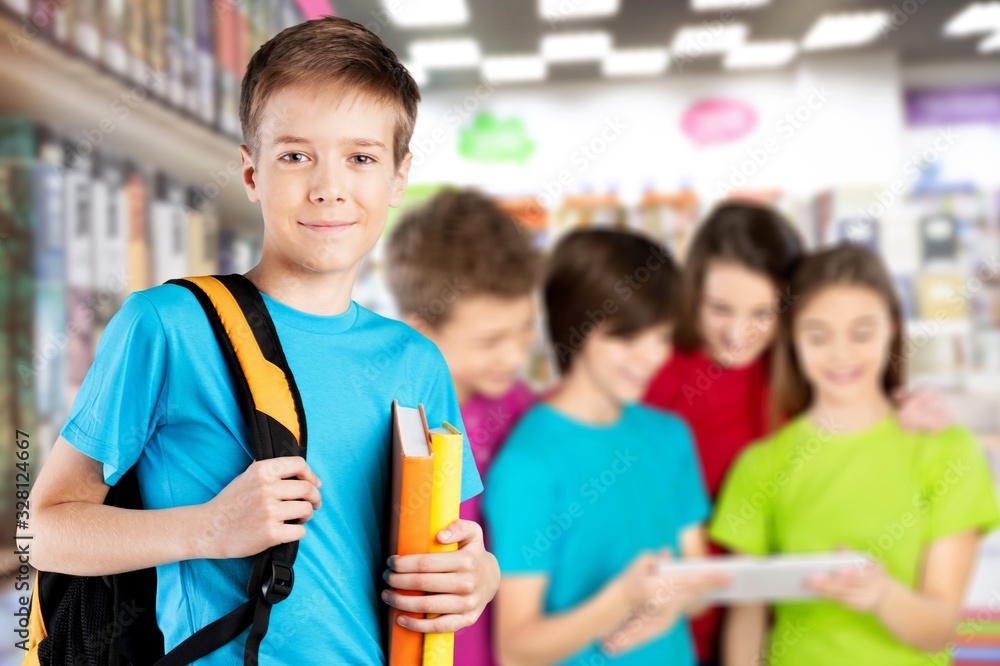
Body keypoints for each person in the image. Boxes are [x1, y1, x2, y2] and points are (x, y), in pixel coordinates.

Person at [25, 17, 499, 664]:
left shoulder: (415, 361)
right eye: (295, 155)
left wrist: (478, 577)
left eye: (360, 158)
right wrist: (209, 529)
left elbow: (451, 544)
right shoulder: (168, 325)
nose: (329, 185)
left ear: (398, 177)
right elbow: (44, 531)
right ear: (250, 173)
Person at [643, 201, 954, 666]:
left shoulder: (801, 371)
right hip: (667, 622)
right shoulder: (652, 369)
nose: (737, 332)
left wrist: (914, 405)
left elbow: (861, 415)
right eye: (720, 309)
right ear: (693, 295)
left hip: (788, 626)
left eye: (761, 314)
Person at [710, 244, 1000, 666]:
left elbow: (940, 626)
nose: (841, 353)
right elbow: (747, 612)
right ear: (793, 339)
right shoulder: (759, 465)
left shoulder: (949, 451)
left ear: (892, 330)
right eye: (818, 336)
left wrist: (882, 595)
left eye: (862, 333)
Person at [485, 229, 727, 665]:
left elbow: (698, 583)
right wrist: (622, 600)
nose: (652, 357)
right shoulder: (528, 464)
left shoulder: (670, 436)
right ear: (575, 326)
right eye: (628, 339)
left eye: (662, 337)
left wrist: (669, 602)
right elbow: (516, 650)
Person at [385, 188, 539, 665]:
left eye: (525, 329)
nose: (515, 357)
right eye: (491, 340)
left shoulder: (530, 414)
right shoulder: (394, 424)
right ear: (422, 333)